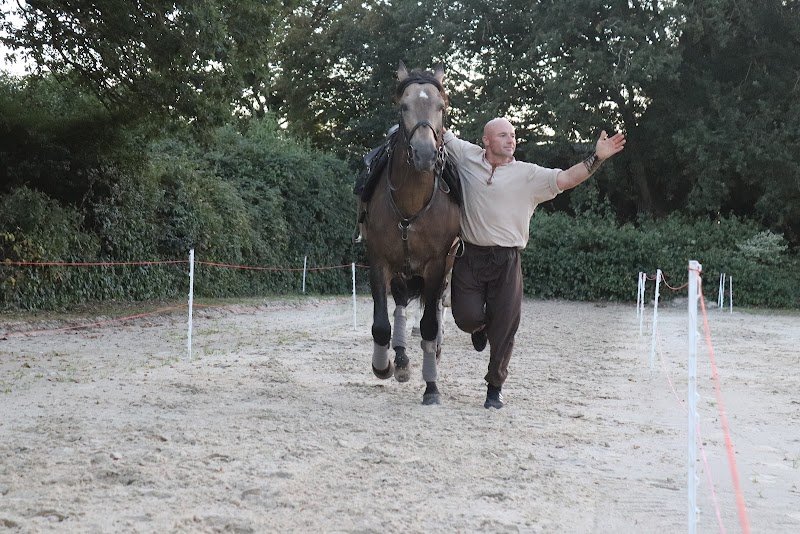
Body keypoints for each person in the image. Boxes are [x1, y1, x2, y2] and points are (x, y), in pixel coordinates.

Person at [443, 118, 625, 409]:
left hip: (506, 260)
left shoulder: (528, 175)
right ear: (486, 140)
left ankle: (494, 388)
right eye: (503, 135)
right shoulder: (466, 156)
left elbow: (567, 178)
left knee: (505, 326)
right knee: (465, 318)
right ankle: (479, 328)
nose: (511, 140)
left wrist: (597, 157)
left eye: (513, 135)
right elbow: (437, 128)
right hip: (470, 255)